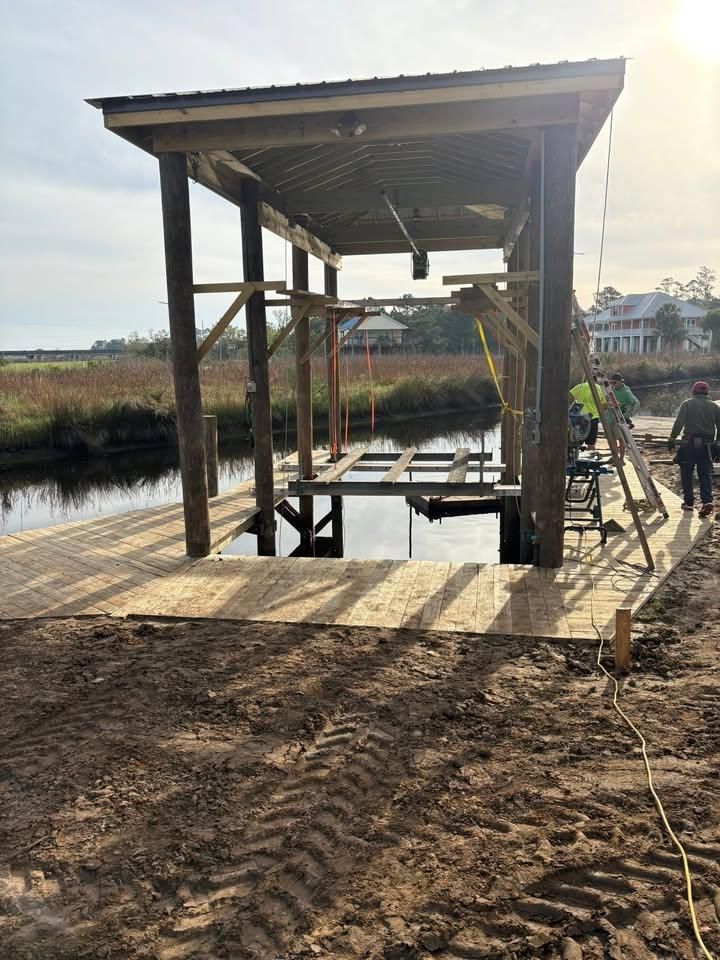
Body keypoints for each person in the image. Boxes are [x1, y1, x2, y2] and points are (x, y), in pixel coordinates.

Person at [668, 381, 720, 518]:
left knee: (686, 472)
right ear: (707, 393)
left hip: (689, 443)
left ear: (693, 392)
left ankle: (689, 502)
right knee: (705, 474)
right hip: (707, 445)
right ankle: (707, 501)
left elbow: (679, 422)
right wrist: (717, 444)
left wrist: (672, 438)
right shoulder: (715, 407)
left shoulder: (687, 403)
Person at [608, 372, 640, 461]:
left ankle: (621, 459)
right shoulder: (611, 390)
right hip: (610, 418)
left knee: (621, 439)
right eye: (612, 383)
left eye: (615, 383)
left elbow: (636, 404)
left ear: (621, 382)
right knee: (612, 439)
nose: (613, 385)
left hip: (619, 419)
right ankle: (615, 457)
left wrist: (627, 415)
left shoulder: (626, 392)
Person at [569, 380, 604, 451]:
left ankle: (574, 458)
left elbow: (568, 396)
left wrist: (574, 402)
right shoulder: (599, 388)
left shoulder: (580, 386)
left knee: (576, 442)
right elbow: (605, 406)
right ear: (596, 380)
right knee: (591, 443)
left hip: (580, 417)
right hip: (593, 417)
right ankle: (591, 457)